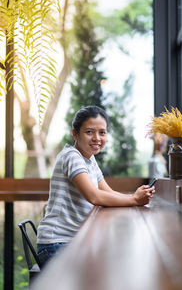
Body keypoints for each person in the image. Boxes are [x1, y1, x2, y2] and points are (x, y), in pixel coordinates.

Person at [37, 106, 155, 266]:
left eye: (102, 132)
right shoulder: (72, 156)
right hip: (56, 244)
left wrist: (134, 196)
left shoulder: (89, 159)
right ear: (75, 134)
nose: (97, 138)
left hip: (72, 241)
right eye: (89, 132)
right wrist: (134, 200)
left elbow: (107, 191)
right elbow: (94, 196)